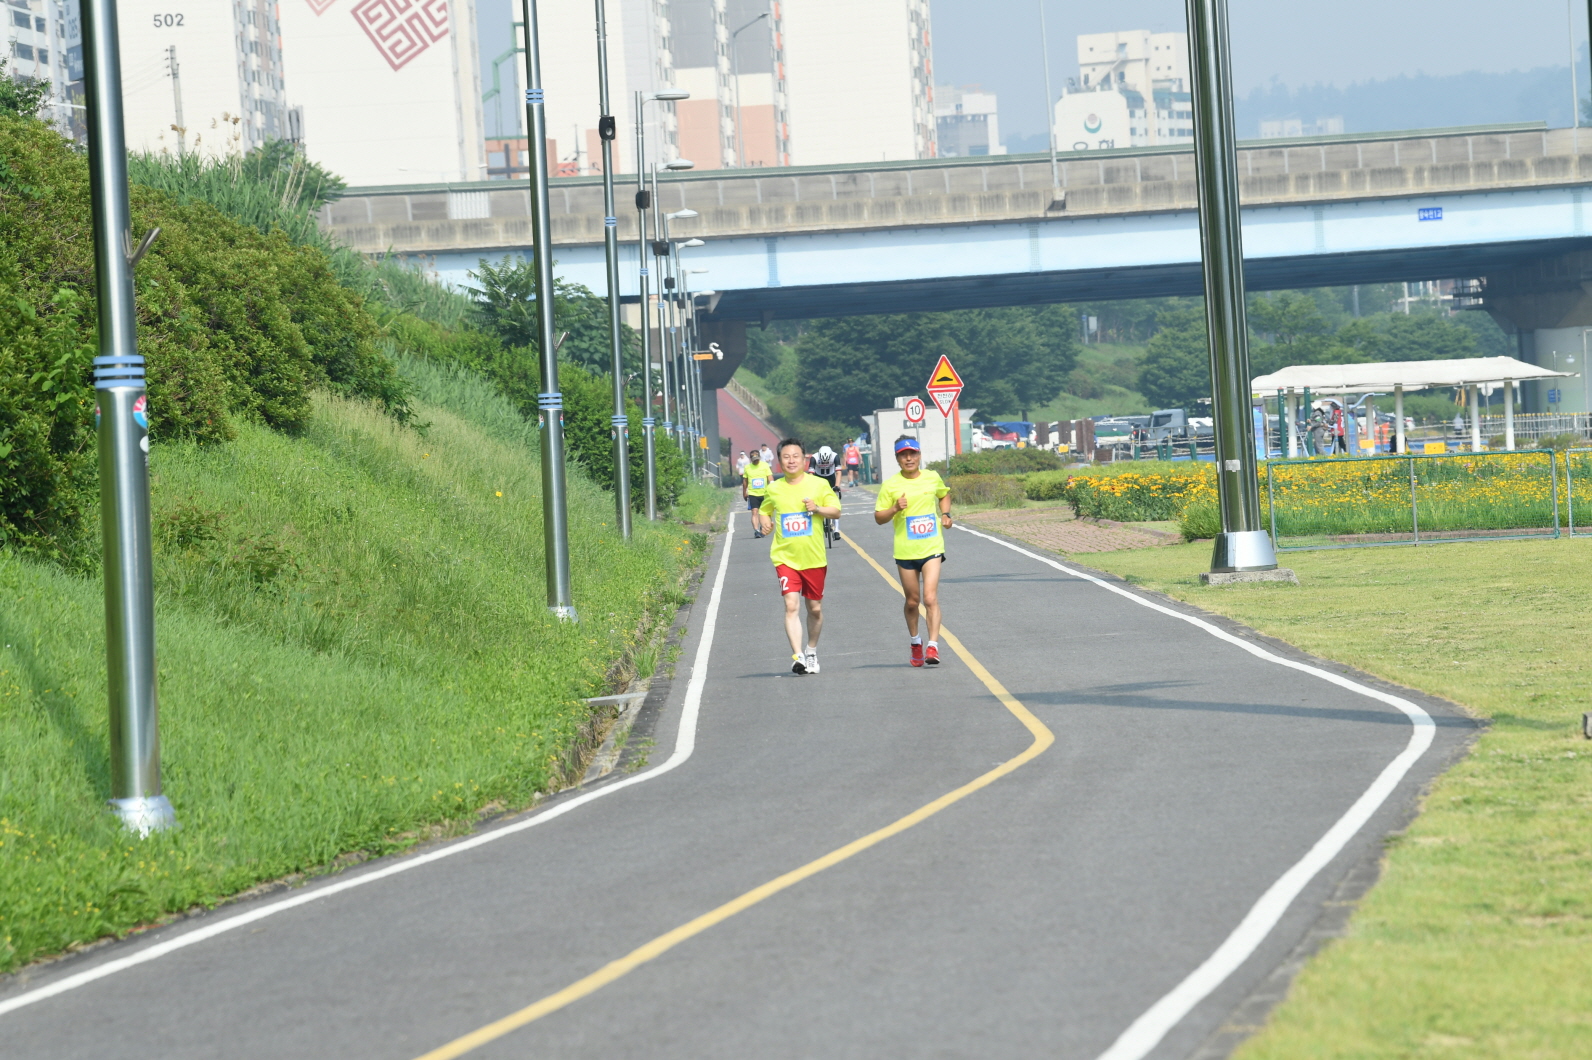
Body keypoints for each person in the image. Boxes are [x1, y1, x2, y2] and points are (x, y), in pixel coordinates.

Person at [754, 438, 841, 675]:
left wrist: (817, 509)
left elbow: (836, 510)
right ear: (779, 461)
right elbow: (764, 509)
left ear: (805, 459)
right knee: (791, 605)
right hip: (785, 558)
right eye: (786, 457)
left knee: (814, 609)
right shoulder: (774, 488)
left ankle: (811, 651)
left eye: (796, 456)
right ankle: (798, 656)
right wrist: (765, 523)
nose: (791, 461)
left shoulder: (819, 485)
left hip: (813, 558)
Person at [874, 436, 951, 667]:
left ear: (919, 455)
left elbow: (944, 494)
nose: (909, 458)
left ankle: (933, 647)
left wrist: (945, 514)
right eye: (903, 455)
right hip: (906, 551)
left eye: (912, 453)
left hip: (932, 547)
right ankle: (916, 642)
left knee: (929, 597)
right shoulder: (890, 485)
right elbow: (879, 518)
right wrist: (895, 508)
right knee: (912, 601)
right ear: (897, 459)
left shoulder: (932, 477)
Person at [741, 448, 772, 538]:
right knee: (754, 511)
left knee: (765, 512)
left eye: (757, 459)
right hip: (753, 493)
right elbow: (745, 481)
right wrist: (744, 492)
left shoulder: (765, 465)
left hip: (765, 493)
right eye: (754, 460)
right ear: (750, 459)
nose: (756, 461)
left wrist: (772, 487)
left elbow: (770, 477)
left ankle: (764, 526)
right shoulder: (747, 467)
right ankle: (756, 530)